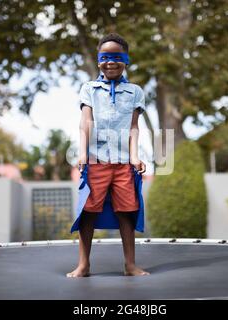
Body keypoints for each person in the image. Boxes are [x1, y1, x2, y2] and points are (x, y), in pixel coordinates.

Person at [67, 33, 150, 277]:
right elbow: (85, 123)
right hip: (96, 161)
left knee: (126, 211)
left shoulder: (135, 92)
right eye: (105, 57)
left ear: (126, 60)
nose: (110, 62)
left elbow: (134, 127)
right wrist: (82, 153)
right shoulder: (89, 89)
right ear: (99, 60)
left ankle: (130, 265)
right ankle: (84, 265)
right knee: (88, 212)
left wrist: (134, 156)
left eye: (116, 57)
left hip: (123, 163)